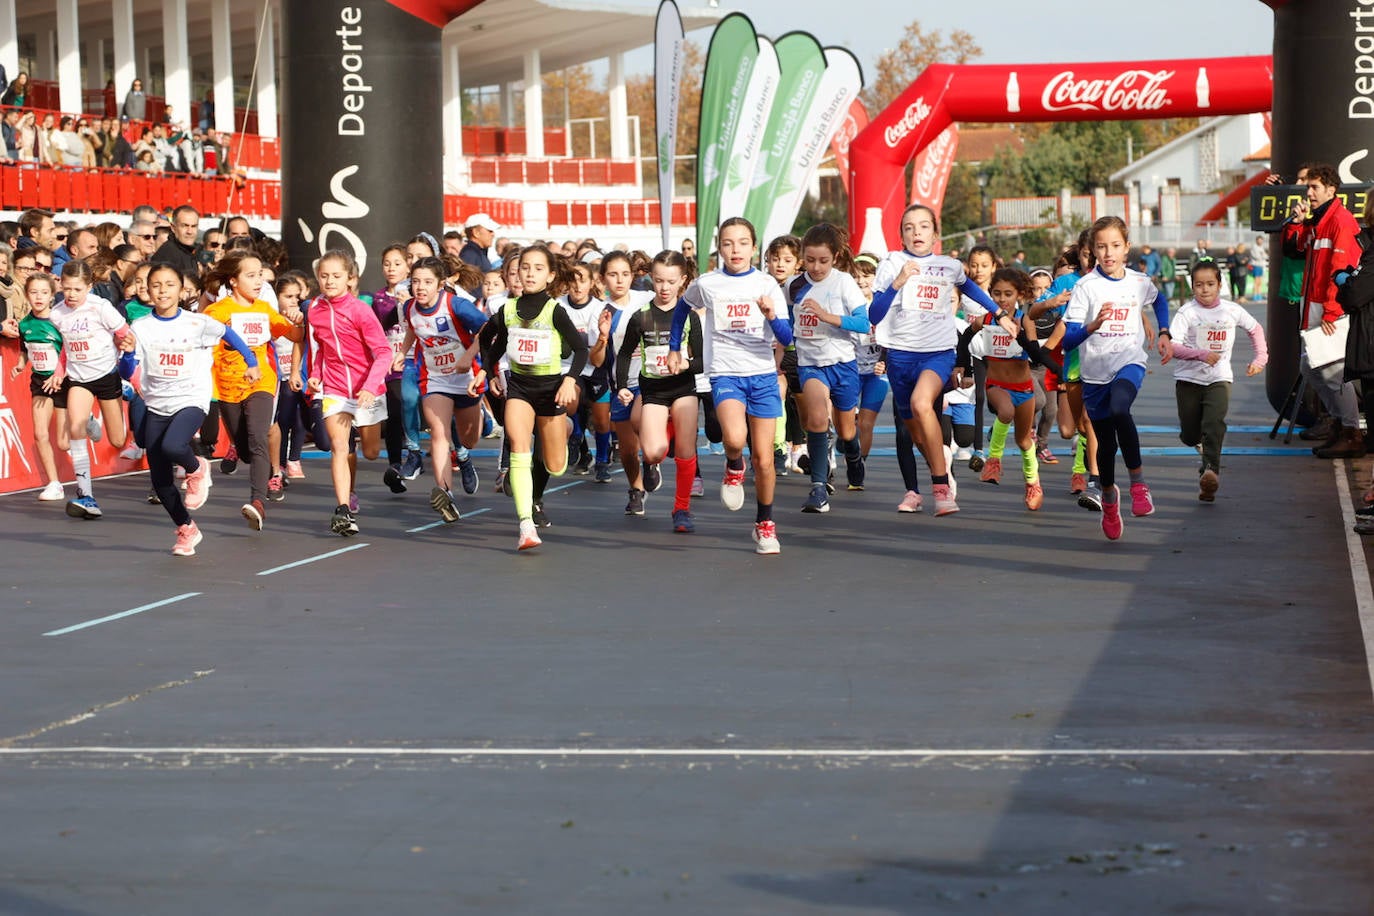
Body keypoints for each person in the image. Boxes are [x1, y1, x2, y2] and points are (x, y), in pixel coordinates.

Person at [867, 204, 1013, 517]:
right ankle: (940, 466)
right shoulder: (893, 262)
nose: (916, 232)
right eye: (908, 227)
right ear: (901, 235)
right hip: (900, 356)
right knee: (917, 433)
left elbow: (971, 287)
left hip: (938, 352)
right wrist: (898, 282)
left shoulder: (948, 265)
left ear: (936, 233)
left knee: (922, 404)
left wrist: (999, 314)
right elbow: (874, 314)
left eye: (923, 226)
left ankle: (940, 488)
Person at [667, 217, 793, 553]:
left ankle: (764, 525)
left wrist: (771, 315)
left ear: (754, 248)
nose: (735, 250)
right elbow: (681, 310)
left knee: (765, 460)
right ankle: (733, 464)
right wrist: (675, 347)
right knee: (735, 438)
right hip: (725, 374)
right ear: (719, 248)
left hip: (763, 375)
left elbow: (787, 338)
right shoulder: (708, 283)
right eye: (727, 243)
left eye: (742, 243)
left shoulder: (767, 285)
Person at [121, 264, 259, 555]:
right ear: (147, 289)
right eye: (156, 285)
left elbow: (228, 334)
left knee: (174, 445)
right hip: (157, 404)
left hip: (192, 399)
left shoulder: (196, 323)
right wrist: (128, 351)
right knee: (160, 482)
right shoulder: (141, 327)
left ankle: (198, 468)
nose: (162, 291)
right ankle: (187, 529)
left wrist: (251, 361)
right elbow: (126, 369)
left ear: (181, 290)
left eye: (169, 285)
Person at [1061, 216, 1173, 541]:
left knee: (1122, 408)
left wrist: (1164, 330)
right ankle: (1109, 498)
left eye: (1114, 246)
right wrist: (1090, 327)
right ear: (1092, 250)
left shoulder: (1138, 281)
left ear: (1126, 247)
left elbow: (1160, 300)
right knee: (1106, 447)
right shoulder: (1085, 287)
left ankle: (1139, 484)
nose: (1108, 253)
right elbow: (1067, 341)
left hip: (1129, 362)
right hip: (1094, 374)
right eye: (1100, 247)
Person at [475, 244, 588, 549]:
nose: (530, 273)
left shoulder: (555, 311)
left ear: (550, 275)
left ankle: (564, 434)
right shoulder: (507, 310)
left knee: (555, 465)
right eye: (525, 267)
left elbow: (580, 350)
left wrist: (569, 380)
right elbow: (491, 342)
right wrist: (486, 371)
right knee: (520, 448)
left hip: (551, 390)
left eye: (538, 268)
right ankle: (526, 525)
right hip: (520, 388)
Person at [202, 251, 304, 529]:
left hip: (262, 382)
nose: (259, 281)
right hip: (226, 387)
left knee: (259, 436)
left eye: (260, 274)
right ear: (233, 281)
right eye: (251, 275)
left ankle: (257, 502)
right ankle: (243, 454)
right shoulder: (217, 312)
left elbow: (297, 336)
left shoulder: (264, 309)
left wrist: (298, 320)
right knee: (247, 449)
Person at [299, 250, 392, 536]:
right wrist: (314, 376)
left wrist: (369, 386)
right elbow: (318, 349)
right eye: (324, 276)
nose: (329, 281)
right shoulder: (314, 309)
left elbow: (384, 352)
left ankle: (351, 488)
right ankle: (343, 508)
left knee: (372, 452)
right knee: (339, 447)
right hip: (335, 388)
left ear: (350, 279)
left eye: (336, 276)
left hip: (367, 389)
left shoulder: (360, 310)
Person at [1163, 261, 1268, 502]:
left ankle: (1210, 473)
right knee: (1190, 435)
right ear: (1192, 287)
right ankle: (1198, 445)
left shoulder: (1231, 310)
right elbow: (1173, 346)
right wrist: (1200, 354)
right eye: (1198, 285)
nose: (1205, 289)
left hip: (1219, 378)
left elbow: (1255, 329)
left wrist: (1260, 358)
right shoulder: (1186, 313)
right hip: (1188, 379)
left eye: (1210, 284)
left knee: (1214, 423)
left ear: (1220, 285)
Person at [394, 256, 488, 522]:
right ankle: (445, 493)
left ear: (440, 284)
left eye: (427, 282)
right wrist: (403, 352)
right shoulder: (410, 307)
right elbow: (414, 328)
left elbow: (488, 328)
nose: (420, 287)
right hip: (435, 378)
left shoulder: (455, 305)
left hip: (466, 378)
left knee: (469, 439)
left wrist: (469, 355)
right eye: (415, 282)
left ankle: (470, 441)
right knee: (439, 432)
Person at [1283, 163, 1365, 459]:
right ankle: (1340, 426)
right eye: (1308, 187)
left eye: (1314, 187)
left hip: (1326, 309)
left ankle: (1351, 432)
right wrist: (1297, 222)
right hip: (1314, 307)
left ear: (1331, 190)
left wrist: (1331, 310)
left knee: (1331, 373)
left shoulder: (1340, 221)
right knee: (1311, 369)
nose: (1309, 192)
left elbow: (1343, 269)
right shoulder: (1320, 220)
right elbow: (1295, 248)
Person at [615, 250, 700, 531]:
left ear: (683, 281)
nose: (664, 288)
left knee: (686, 451)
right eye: (659, 281)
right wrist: (621, 387)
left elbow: (701, 361)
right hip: (653, 391)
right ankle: (656, 457)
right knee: (652, 452)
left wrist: (684, 362)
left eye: (671, 282)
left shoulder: (689, 317)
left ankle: (681, 509)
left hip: (683, 389)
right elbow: (625, 354)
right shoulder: (640, 317)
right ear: (652, 279)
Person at [788, 223, 870, 513]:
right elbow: (788, 325)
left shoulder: (844, 282)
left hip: (843, 364)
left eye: (823, 260)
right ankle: (818, 489)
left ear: (835, 256)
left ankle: (854, 456)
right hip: (811, 364)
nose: (816, 266)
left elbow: (863, 323)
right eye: (810, 260)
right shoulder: (794, 286)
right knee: (818, 420)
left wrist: (828, 316)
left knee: (847, 431)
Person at [49, 260, 134, 519]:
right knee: (75, 428)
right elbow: (66, 345)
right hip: (79, 378)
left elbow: (125, 334)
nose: (71, 295)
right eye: (67, 289)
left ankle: (91, 420)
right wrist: (59, 370)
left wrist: (126, 351)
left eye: (77, 289)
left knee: (118, 440)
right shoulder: (57, 313)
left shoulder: (101, 308)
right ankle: (86, 495)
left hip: (107, 375)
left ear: (89, 286)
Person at [9, 272, 70, 501]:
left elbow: (68, 352)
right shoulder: (25, 323)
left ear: (52, 295)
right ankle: (54, 483)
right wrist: (20, 365)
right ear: (27, 295)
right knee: (40, 433)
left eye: (44, 292)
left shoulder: (59, 322)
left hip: (62, 382)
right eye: (34, 292)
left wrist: (60, 374)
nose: (39, 297)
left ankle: (89, 422)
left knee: (64, 443)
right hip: (39, 382)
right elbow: (25, 349)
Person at [151, 204, 202, 276]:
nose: (189, 231)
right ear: (173, 228)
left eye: (193, 226)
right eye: (184, 226)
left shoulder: (189, 252)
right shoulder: (167, 255)